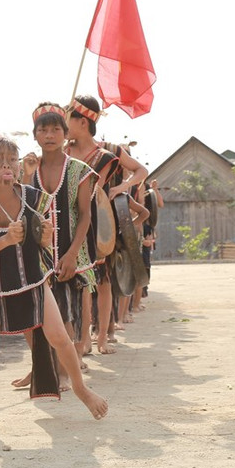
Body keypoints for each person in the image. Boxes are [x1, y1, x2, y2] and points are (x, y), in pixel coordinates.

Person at [0, 133, 108, 436]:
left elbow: (44, 242)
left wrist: (45, 235)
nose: (6, 165)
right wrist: (4, 240)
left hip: (35, 282)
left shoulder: (32, 197)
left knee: (60, 338)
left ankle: (80, 389)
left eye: (11, 159)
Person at [19, 102, 98, 386]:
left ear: (66, 134)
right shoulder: (28, 169)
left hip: (68, 253)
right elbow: (21, 209)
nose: (50, 135)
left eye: (55, 129)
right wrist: (26, 176)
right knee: (33, 315)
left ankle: (65, 372)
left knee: (65, 311)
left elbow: (86, 215)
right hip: (36, 255)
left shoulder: (80, 170)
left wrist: (72, 253)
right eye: (43, 130)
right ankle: (42, 366)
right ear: (35, 135)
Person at [65, 95, 148, 355]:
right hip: (70, 221)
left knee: (102, 281)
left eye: (67, 117)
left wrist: (122, 188)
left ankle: (100, 336)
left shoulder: (109, 150)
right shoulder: (63, 151)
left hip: (101, 220)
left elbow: (140, 171)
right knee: (80, 284)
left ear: (81, 121)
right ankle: (81, 339)